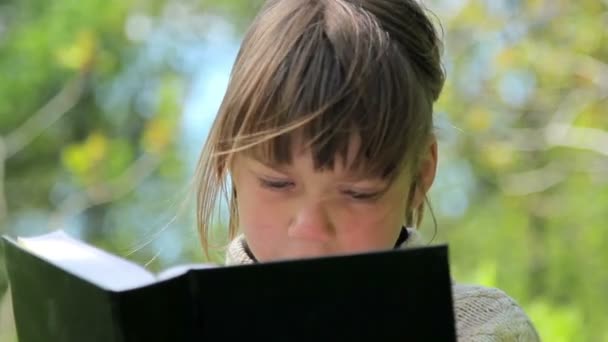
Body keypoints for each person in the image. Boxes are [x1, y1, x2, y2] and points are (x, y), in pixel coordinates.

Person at [193, 0, 540, 340]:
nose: (310, 228)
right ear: (228, 161)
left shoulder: (483, 328)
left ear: (420, 175)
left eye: (357, 193)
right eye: (277, 183)